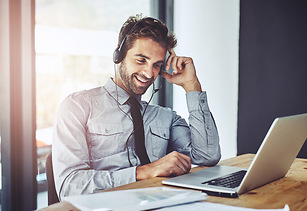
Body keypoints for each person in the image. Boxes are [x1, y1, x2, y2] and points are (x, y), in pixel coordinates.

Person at [52, 15, 221, 199]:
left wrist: (191, 85)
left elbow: (207, 156)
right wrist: (143, 172)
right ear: (119, 55)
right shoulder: (78, 106)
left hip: (157, 210)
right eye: (141, 60)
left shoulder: (165, 117)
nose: (149, 73)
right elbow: (69, 187)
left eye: (156, 65)